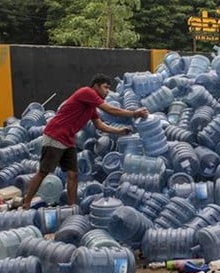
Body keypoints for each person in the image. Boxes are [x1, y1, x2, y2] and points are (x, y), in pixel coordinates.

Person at [21, 74, 148, 209]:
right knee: (44, 171)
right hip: (56, 134)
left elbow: (99, 125)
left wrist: (120, 131)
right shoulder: (86, 92)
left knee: (73, 174)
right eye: (105, 87)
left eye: (108, 89)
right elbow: (110, 110)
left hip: (68, 139)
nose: (107, 91)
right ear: (95, 86)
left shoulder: (90, 106)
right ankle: (27, 203)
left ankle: (71, 207)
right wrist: (134, 113)